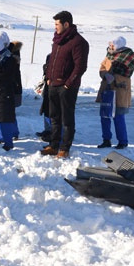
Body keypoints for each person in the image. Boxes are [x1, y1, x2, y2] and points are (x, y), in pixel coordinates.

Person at [40, 11, 89, 159]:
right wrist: (48, 78)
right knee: (54, 117)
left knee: (66, 119)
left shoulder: (78, 42)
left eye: (57, 24)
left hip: (67, 87)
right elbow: (52, 62)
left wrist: (68, 84)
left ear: (66, 24)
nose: (55, 27)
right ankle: (54, 146)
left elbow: (80, 67)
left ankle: (64, 148)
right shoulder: (57, 40)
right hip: (53, 85)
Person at [95, 36, 134, 149]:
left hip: (120, 90)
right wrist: (106, 75)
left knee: (118, 116)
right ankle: (106, 140)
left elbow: (130, 69)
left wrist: (117, 78)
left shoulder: (128, 54)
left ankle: (122, 141)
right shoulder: (109, 54)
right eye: (110, 43)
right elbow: (102, 68)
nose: (111, 46)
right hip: (107, 88)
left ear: (119, 44)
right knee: (105, 116)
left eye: (113, 44)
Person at [0, 40, 23, 142]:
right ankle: (14, 133)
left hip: (8, 89)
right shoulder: (16, 61)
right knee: (10, 112)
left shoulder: (7, 60)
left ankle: (1, 136)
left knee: (2, 112)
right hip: (15, 88)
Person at [35, 54, 52, 142]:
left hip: (55, 88)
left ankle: (53, 132)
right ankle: (48, 130)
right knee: (46, 109)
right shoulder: (49, 56)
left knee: (53, 111)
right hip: (47, 88)